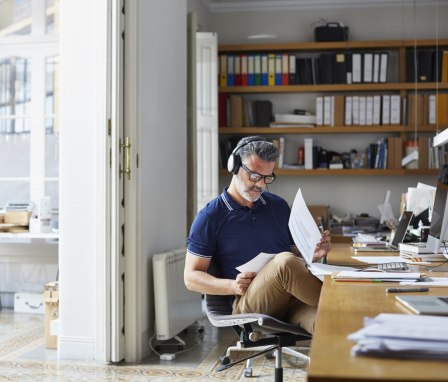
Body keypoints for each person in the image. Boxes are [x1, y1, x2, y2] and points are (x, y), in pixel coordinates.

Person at [184, 136, 331, 334]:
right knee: (284, 262)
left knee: (332, 322)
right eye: (254, 176)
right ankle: (346, 303)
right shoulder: (210, 217)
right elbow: (191, 278)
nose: (260, 185)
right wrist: (232, 286)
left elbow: (296, 254)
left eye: (267, 178)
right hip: (251, 305)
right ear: (234, 166)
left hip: (292, 301)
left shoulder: (278, 206)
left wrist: (312, 252)